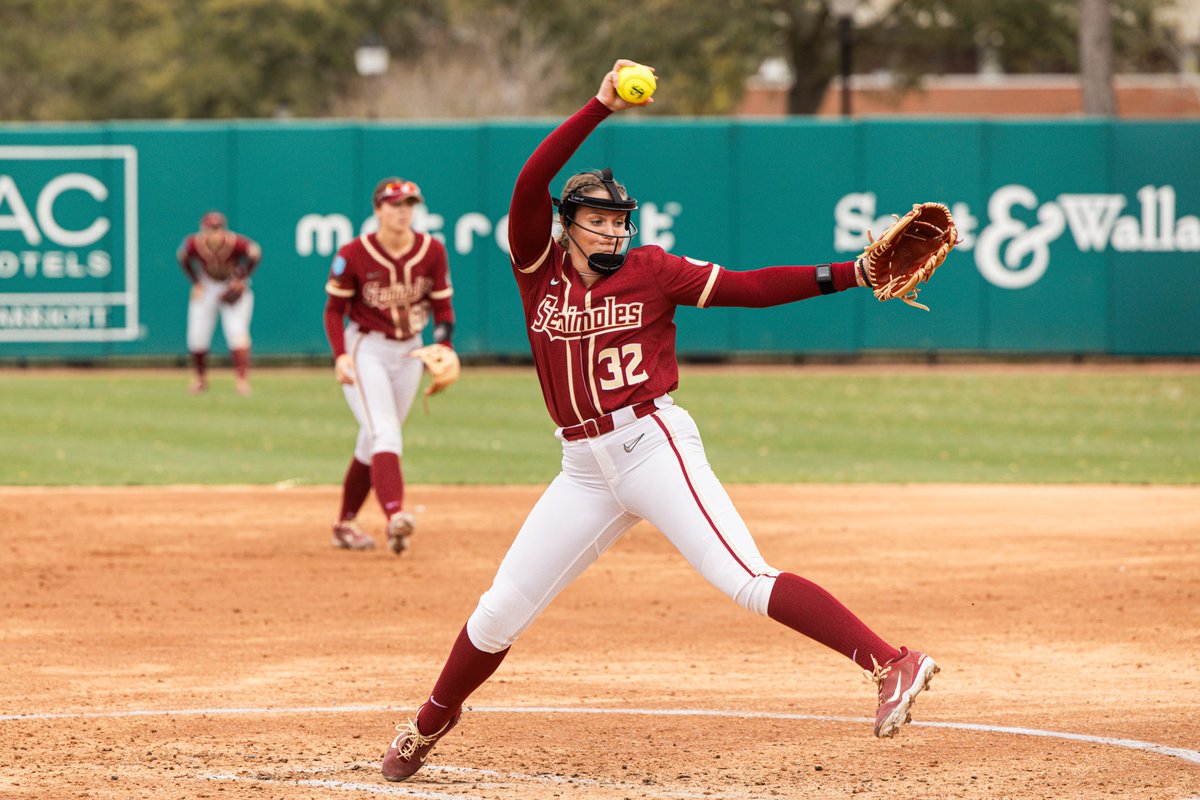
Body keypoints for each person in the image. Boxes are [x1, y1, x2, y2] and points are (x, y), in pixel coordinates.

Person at [379, 60, 939, 781]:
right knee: (498, 611)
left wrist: (850, 274)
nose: (612, 231)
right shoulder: (536, 265)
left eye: (620, 221)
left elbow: (749, 288)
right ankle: (427, 725)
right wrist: (599, 104)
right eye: (599, 220)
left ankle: (893, 661)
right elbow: (527, 182)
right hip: (581, 469)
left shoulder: (652, 269)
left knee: (743, 576)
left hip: (652, 444)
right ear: (567, 226)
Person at [323, 178, 456, 553]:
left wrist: (443, 345)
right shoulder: (353, 253)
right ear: (378, 209)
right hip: (367, 349)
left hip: (410, 351)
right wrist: (341, 355)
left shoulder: (432, 250)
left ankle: (345, 524)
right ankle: (395, 515)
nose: (403, 211)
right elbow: (334, 311)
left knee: (373, 440)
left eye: (409, 204)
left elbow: (442, 306)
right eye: (395, 204)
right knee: (385, 433)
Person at [178, 211, 262, 395]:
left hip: (230, 285)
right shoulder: (194, 243)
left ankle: (242, 381)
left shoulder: (235, 242)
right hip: (207, 285)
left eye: (217, 228)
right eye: (210, 228)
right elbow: (182, 257)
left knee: (237, 332)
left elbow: (255, 253)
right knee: (197, 335)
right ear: (203, 229)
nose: (214, 232)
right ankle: (200, 379)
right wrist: (196, 283)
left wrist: (241, 279)